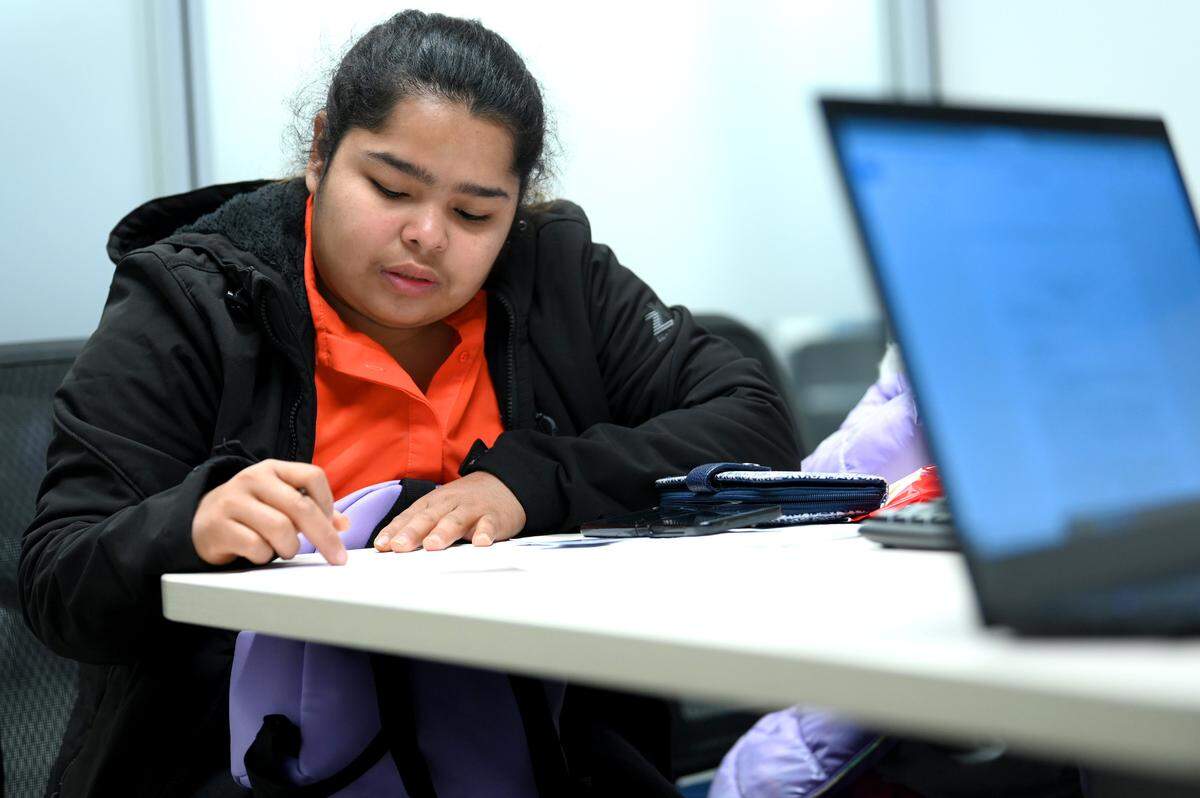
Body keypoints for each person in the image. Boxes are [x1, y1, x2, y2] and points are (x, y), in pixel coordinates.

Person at [18, 10, 799, 797]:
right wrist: (187, 525)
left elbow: (755, 424)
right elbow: (57, 582)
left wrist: (527, 483)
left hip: (547, 761)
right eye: (391, 189)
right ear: (321, 150)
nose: (427, 235)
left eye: (474, 213)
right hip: (254, 771)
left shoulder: (555, 277)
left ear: (518, 206)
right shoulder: (193, 301)